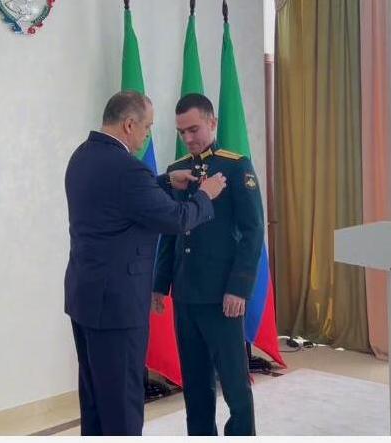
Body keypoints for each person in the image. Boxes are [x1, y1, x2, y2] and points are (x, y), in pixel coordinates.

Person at [64, 90, 227, 435]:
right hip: (117, 307)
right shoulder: (127, 169)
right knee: (122, 406)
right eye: (148, 127)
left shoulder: (82, 156)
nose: (147, 136)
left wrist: (164, 181)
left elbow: (116, 199)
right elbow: (176, 219)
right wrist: (205, 194)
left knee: (95, 402)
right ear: (129, 124)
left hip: (85, 298)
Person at [152, 93, 264, 436]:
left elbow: (252, 231)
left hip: (222, 295)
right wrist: (160, 284)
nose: (188, 138)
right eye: (182, 132)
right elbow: (171, 231)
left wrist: (239, 288)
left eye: (194, 129)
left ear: (212, 123)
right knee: (196, 384)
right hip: (186, 293)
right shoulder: (177, 171)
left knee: (234, 384)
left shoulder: (235, 166)